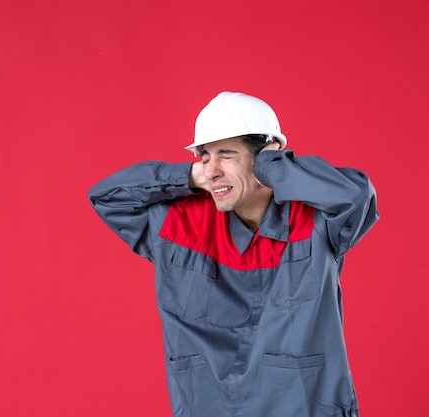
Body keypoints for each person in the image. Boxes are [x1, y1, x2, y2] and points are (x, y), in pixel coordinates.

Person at [88, 91, 378, 417]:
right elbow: (107, 197)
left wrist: (271, 166)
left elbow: (354, 195)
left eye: (226, 154)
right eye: (204, 156)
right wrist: (191, 176)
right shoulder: (178, 225)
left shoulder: (315, 222)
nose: (212, 170)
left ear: (269, 157)